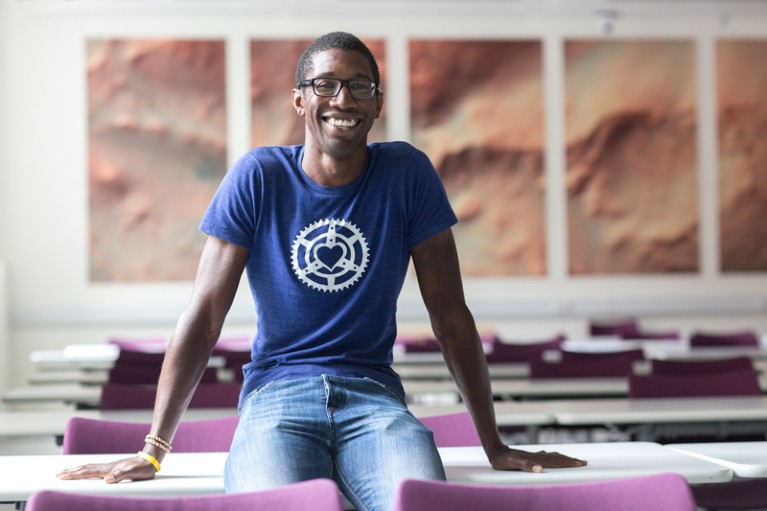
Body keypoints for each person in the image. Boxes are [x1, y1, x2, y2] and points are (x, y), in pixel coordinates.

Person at [58, 31, 586, 511]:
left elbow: (450, 317)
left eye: (360, 87)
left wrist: (493, 445)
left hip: (374, 400)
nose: (343, 100)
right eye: (326, 85)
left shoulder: (407, 174)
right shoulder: (258, 177)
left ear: (378, 104)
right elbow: (204, 317)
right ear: (299, 99)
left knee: (421, 505)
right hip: (276, 400)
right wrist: (153, 450)